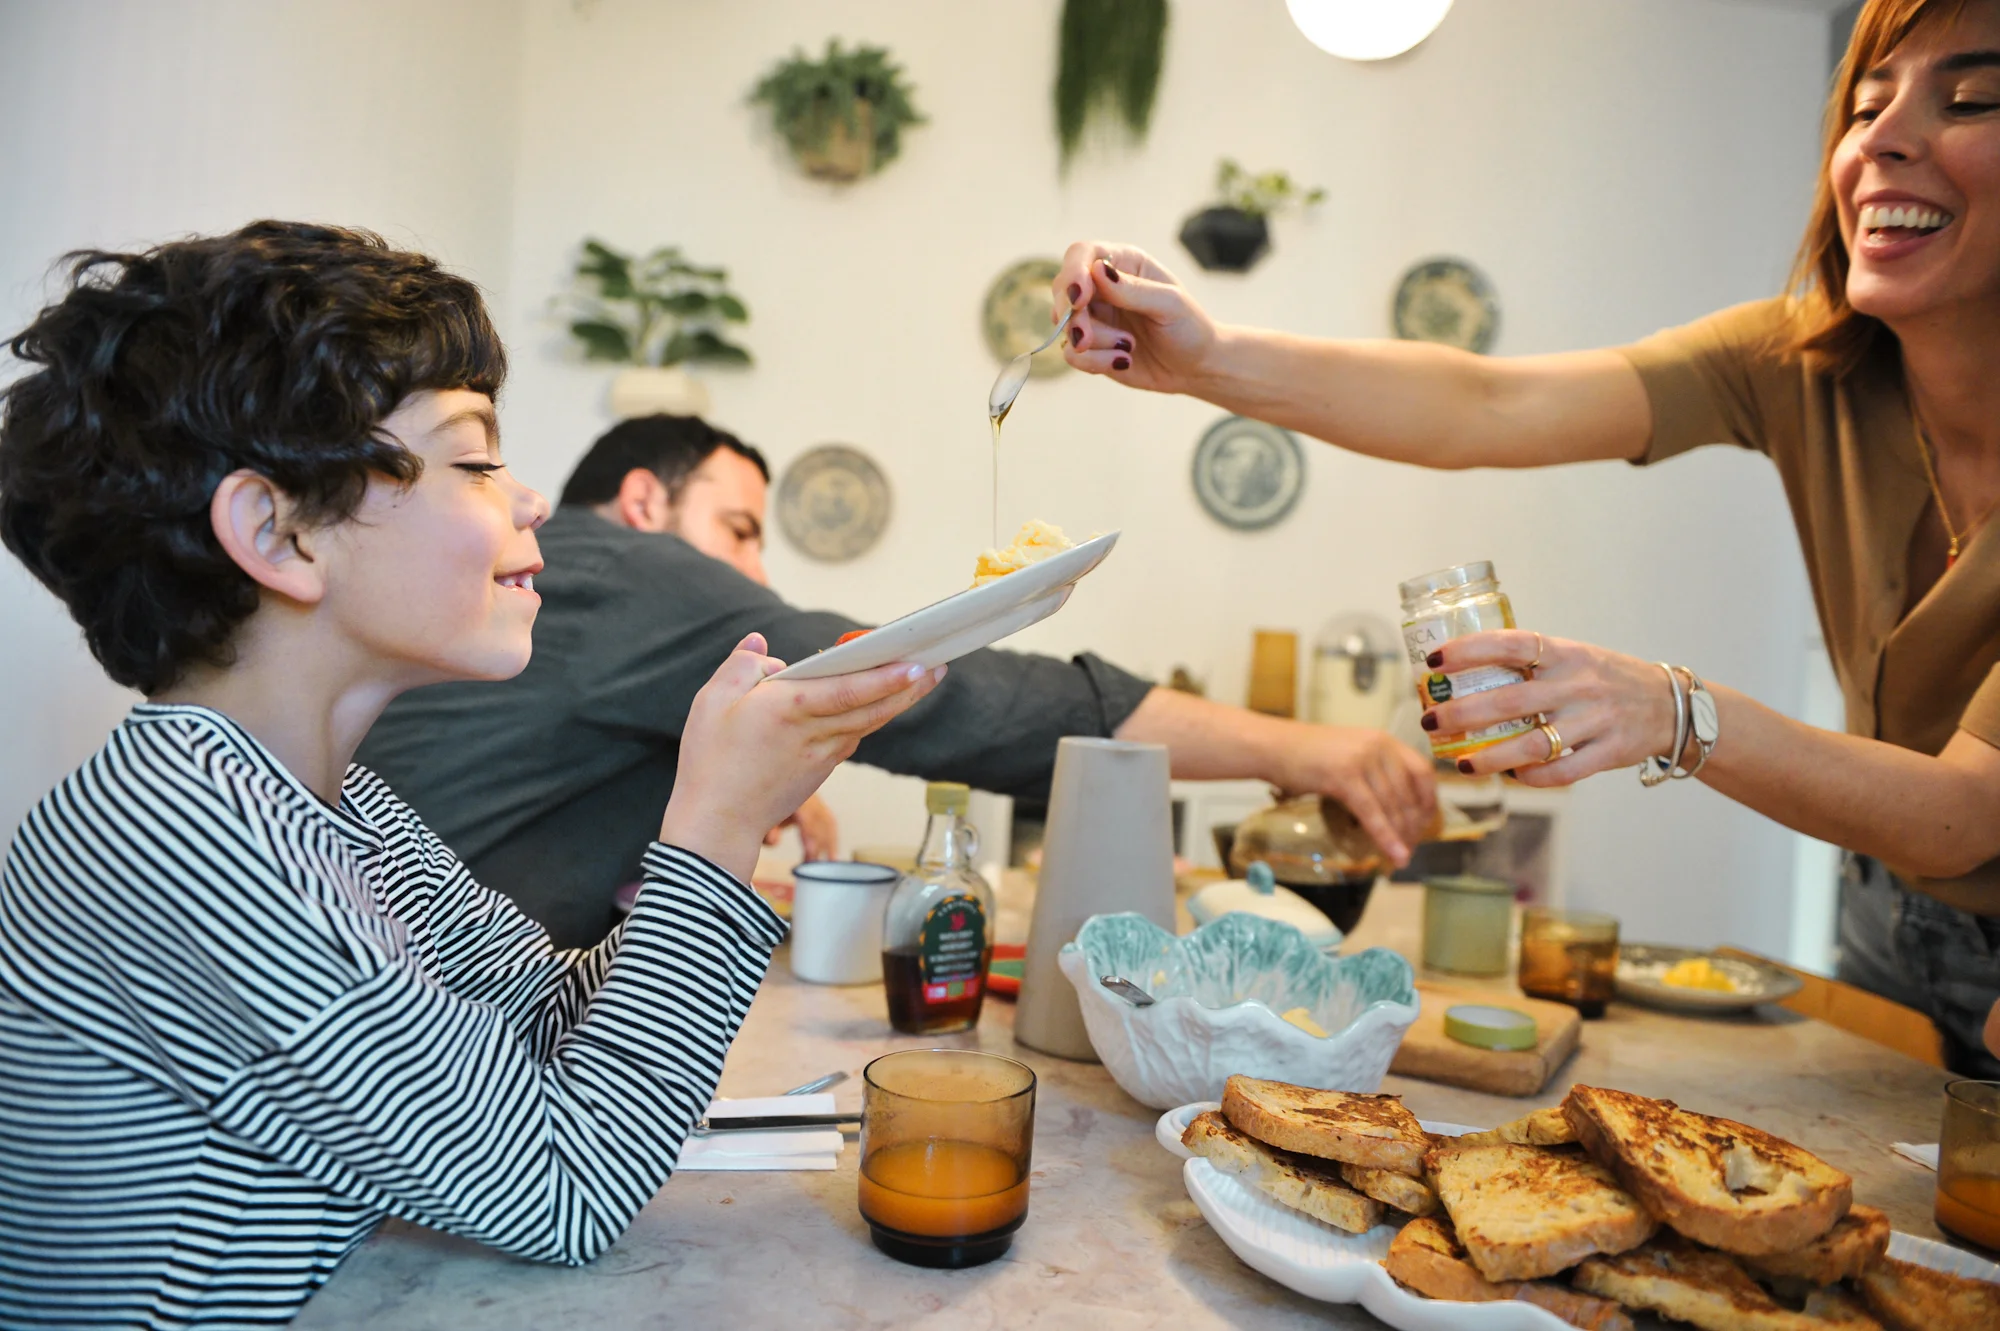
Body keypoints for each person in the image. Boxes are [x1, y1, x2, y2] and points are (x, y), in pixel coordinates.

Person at [0, 221, 939, 1326]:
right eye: (476, 458)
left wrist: (722, 813)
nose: (528, 499)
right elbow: (567, 1186)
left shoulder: (332, 802)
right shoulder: (184, 841)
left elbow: (541, 1013)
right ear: (280, 532)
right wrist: (714, 828)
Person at [1052, 0, 2000, 1075]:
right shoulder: (1801, 364)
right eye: (1864, 105)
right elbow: (1483, 406)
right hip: (1884, 913)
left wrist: (1668, 710)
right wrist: (1205, 356)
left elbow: (1965, 814)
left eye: (1969, 99)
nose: (1879, 140)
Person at [358, 413, 1439, 949]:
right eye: (736, 531)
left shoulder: (571, 606)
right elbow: (941, 691)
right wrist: (1302, 747)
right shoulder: (621, 565)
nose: (750, 574)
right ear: (644, 501)